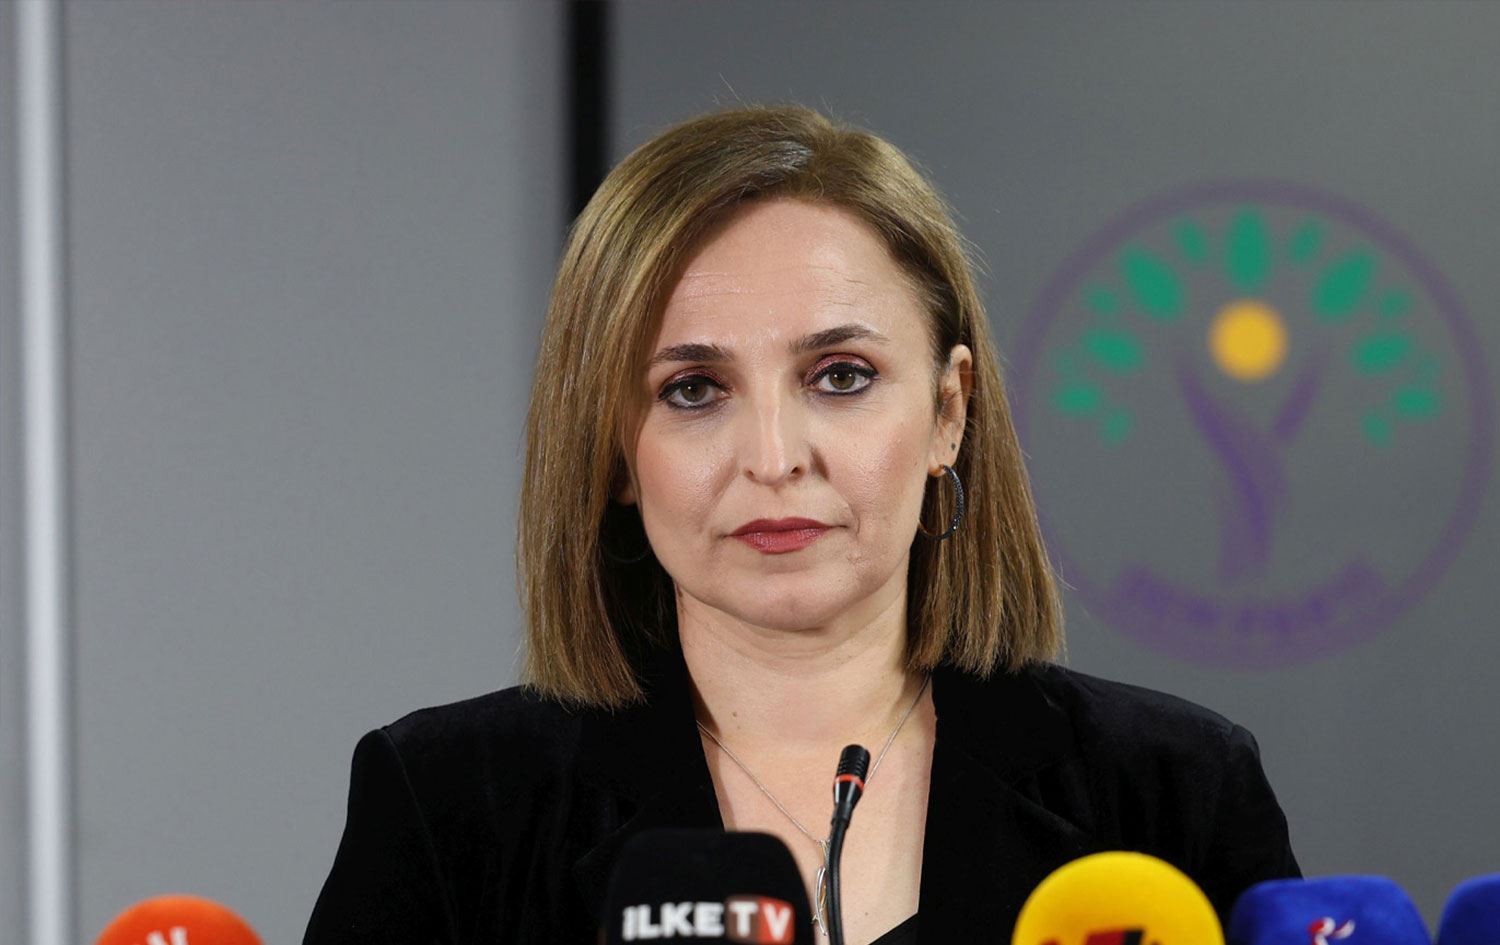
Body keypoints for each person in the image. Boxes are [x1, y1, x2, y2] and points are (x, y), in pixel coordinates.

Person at [302, 103, 1300, 945]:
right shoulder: (451, 804)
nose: (775, 457)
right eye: (694, 389)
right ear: (613, 453)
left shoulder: (1172, 792)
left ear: (948, 413)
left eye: (840, 377)